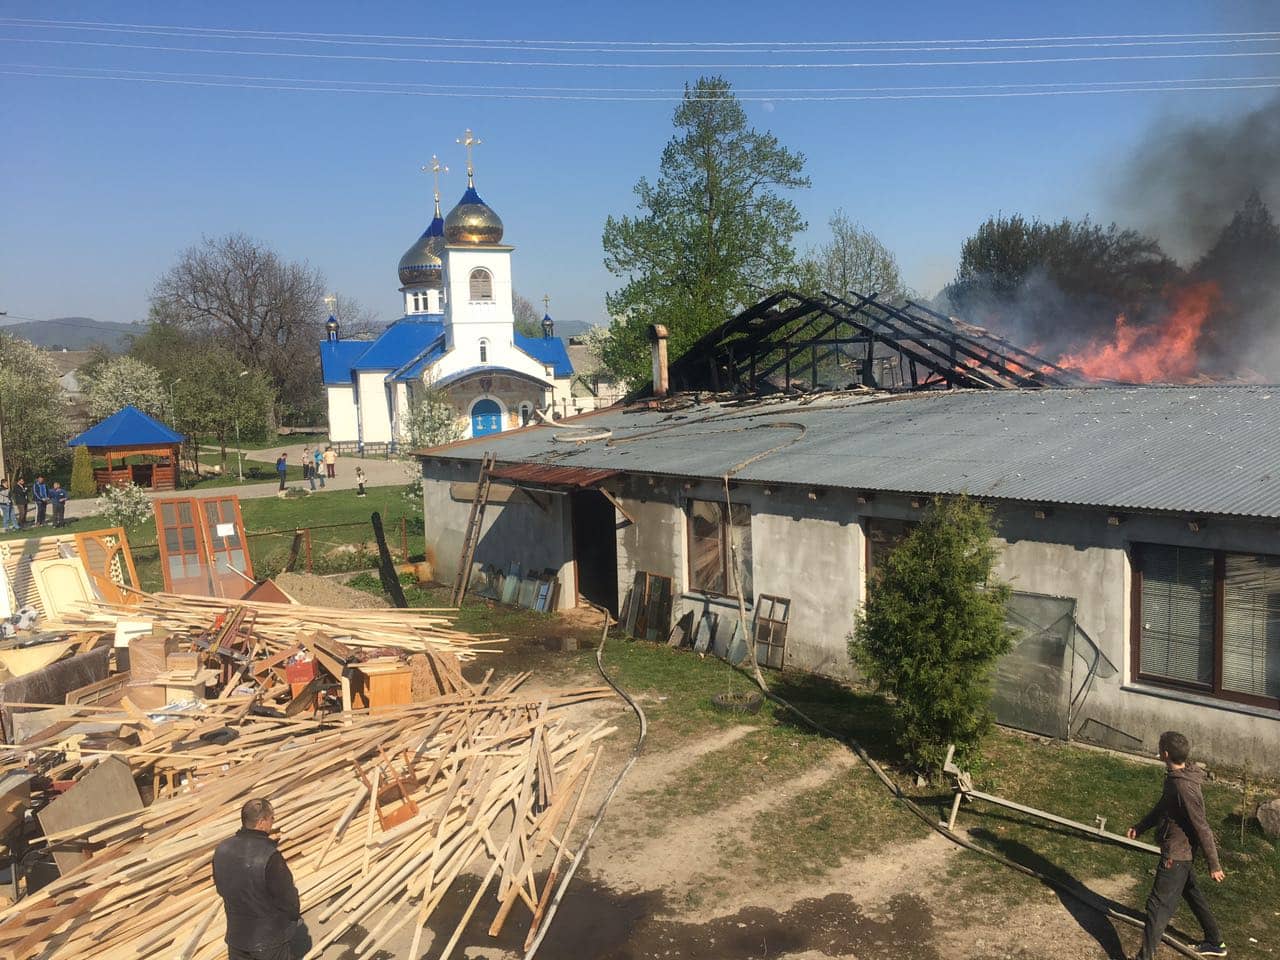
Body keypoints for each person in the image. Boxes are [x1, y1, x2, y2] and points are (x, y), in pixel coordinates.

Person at [1126, 731, 1227, 960]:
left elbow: (1202, 827)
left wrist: (1214, 864)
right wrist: (1140, 826)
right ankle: (1215, 941)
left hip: (1177, 855)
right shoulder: (1176, 779)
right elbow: (1163, 806)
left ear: (1165, 754)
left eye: (1160, 748)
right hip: (1183, 853)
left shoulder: (1184, 788)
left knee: (1157, 905)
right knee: (1192, 894)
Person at [213, 798, 301, 960]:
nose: (272, 823)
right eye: (271, 819)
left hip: (236, 937)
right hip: (269, 941)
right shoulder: (269, 855)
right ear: (261, 822)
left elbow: (221, 889)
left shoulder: (222, 849)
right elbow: (287, 897)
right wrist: (292, 920)